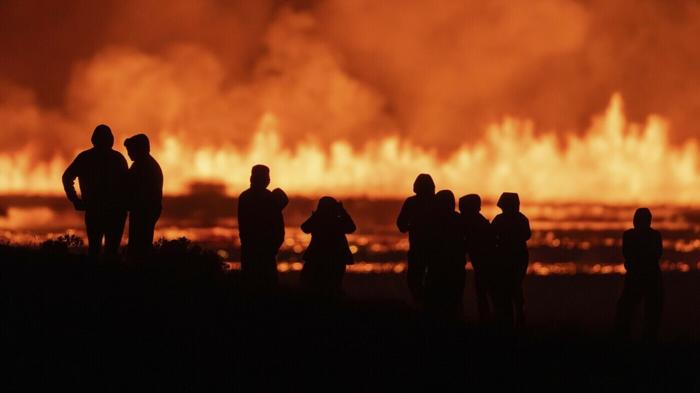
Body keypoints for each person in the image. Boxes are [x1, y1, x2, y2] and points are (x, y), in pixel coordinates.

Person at [62, 124, 128, 260]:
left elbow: (67, 177)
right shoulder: (118, 159)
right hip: (115, 212)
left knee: (94, 249)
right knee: (112, 251)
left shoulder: (85, 157)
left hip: (94, 210)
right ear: (111, 140)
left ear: (93, 139)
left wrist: (75, 200)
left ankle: (93, 278)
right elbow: (128, 185)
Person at [615, 208, 664, 341]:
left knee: (631, 309)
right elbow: (657, 254)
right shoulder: (654, 236)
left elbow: (628, 255)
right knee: (628, 308)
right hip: (645, 276)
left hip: (641, 276)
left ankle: (634, 339)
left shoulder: (630, 236)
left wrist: (637, 262)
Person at [237, 165, 287, 287]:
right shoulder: (253, 197)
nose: (267, 180)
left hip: (261, 249)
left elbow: (277, 224)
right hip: (257, 249)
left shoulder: (248, 196)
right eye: (264, 177)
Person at [300, 197, 356, 295]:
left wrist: (317, 214)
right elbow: (351, 227)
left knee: (317, 287)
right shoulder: (336, 221)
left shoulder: (318, 220)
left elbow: (305, 227)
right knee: (332, 286)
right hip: (335, 259)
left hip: (318, 258)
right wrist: (342, 212)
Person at [491, 192, 531, 328]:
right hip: (518, 256)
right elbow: (527, 235)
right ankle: (517, 318)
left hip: (509, 257)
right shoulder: (522, 219)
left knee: (509, 288)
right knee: (514, 287)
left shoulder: (500, 219)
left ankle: (511, 319)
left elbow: (492, 236)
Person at [424, 190, 466, 317]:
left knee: (437, 296)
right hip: (454, 264)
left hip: (439, 264)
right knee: (454, 297)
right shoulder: (458, 219)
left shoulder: (432, 220)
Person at [396, 174, 436, 304]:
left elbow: (401, 225)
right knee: (432, 279)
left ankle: (421, 304)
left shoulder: (411, 202)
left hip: (417, 248)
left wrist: (411, 226)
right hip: (435, 249)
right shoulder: (437, 202)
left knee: (414, 280)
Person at [124, 134, 163, 260]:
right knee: (141, 245)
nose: (129, 153)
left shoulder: (143, 166)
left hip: (143, 211)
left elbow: (132, 186)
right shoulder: (145, 164)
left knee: (138, 246)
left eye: (130, 150)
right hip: (146, 210)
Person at [459, 194, 497, 323]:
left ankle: (489, 321)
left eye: (462, 209)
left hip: (485, 264)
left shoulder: (474, 223)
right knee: (487, 294)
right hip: (484, 264)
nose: (460, 212)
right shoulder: (477, 221)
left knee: (485, 293)